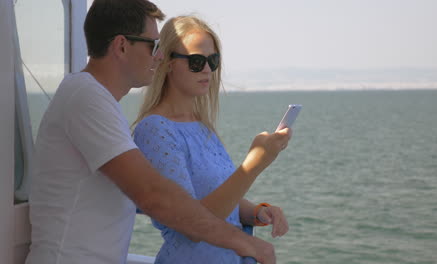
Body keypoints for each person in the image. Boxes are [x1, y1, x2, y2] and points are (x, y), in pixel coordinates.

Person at [25, 0, 290, 264]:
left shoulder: (98, 101)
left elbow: (163, 195)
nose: (159, 56)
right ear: (121, 46)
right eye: (153, 46)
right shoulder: (86, 98)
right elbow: (155, 196)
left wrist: (253, 212)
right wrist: (246, 242)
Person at [132, 15, 291, 263]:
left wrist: (259, 212)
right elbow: (194, 224)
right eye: (196, 61)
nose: (207, 69)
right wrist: (254, 164)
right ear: (168, 62)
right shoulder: (155, 131)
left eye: (212, 60)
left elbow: (222, 204)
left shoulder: (201, 126)